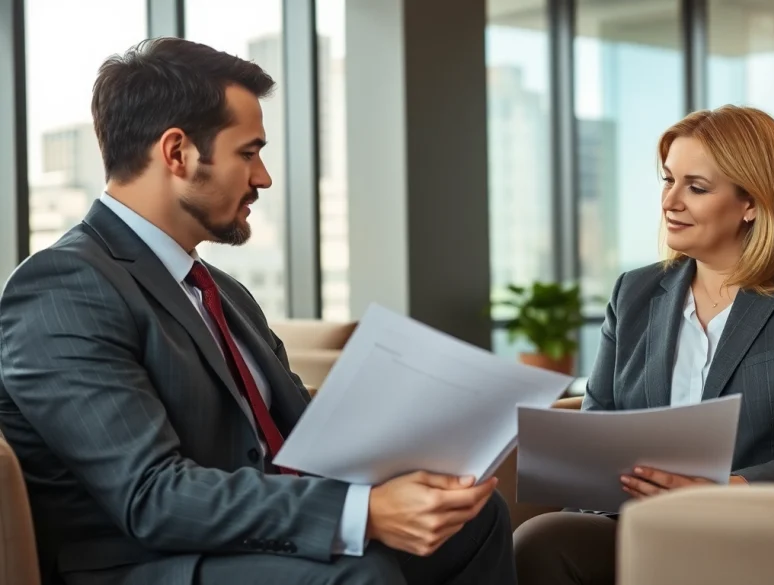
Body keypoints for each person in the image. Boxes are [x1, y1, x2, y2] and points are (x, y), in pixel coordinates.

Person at [0, 38, 514, 585]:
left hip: (250, 541)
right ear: (177, 153)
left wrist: (425, 444)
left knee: (476, 522)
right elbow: (150, 496)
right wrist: (364, 513)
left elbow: (298, 438)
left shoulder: (222, 292)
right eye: (249, 153)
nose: (264, 177)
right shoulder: (63, 285)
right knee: (363, 575)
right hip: (146, 562)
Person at [513, 105, 774, 584]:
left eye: (696, 187)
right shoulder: (633, 292)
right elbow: (600, 423)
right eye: (668, 180)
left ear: (752, 203)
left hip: (751, 526)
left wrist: (719, 491)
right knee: (541, 539)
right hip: (633, 522)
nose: (670, 202)